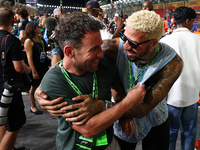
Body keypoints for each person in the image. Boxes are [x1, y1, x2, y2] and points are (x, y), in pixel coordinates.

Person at [36, 10, 183, 150]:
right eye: (124, 37)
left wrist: (102, 106)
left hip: (153, 117)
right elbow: (73, 59)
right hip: (116, 116)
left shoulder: (172, 63)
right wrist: (42, 89)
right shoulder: (112, 48)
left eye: (134, 44)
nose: (125, 46)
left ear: (153, 43)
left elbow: (143, 108)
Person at [160, 6, 200, 150]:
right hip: (192, 97)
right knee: (189, 133)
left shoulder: (166, 41)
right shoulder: (198, 40)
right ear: (188, 21)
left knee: (170, 133)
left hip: (170, 98)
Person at [0, 8, 31, 150]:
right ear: (13, 21)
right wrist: (28, 69)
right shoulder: (11, 40)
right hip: (9, 88)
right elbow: (19, 68)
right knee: (16, 122)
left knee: (1, 120)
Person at [24, 22, 49, 115]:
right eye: (38, 27)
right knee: (34, 87)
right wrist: (33, 71)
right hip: (35, 66)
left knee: (44, 85)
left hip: (43, 65)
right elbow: (29, 58)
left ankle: (44, 104)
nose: (40, 28)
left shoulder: (41, 38)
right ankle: (33, 106)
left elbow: (45, 50)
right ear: (33, 29)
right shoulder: (29, 41)